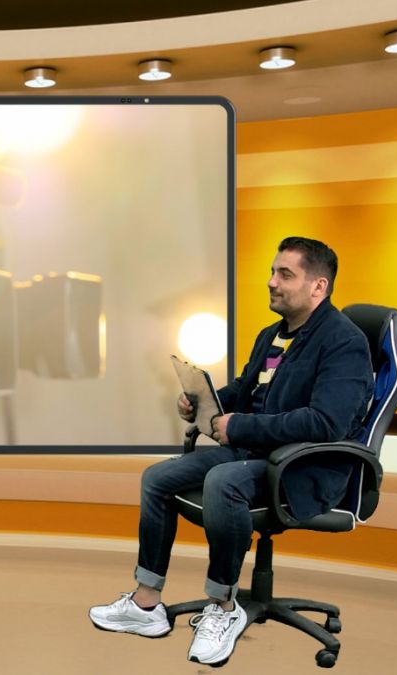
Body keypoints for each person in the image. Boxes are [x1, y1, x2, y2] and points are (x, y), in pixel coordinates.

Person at [88, 236, 373, 666]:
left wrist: (238, 426)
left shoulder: (344, 343)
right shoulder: (273, 336)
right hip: (257, 454)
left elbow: (325, 422)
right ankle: (146, 604)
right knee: (158, 478)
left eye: (285, 274)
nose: (271, 282)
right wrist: (206, 402)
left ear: (319, 286)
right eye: (272, 272)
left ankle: (223, 606)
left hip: (303, 469)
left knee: (223, 482)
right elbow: (247, 390)